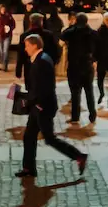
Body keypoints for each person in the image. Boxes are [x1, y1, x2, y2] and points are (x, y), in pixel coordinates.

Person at [17, 33, 88, 178]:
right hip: (38, 106)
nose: (25, 49)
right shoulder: (41, 58)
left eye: (27, 46)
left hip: (43, 107)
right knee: (29, 136)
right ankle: (28, 168)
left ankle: (79, 156)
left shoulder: (41, 61)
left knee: (49, 138)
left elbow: (45, 87)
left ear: (35, 45)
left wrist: (31, 102)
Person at [60, 13, 98, 124]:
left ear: (76, 20)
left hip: (74, 66)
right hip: (87, 65)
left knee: (75, 93)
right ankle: (92, 115)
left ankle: (75, 116)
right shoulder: (92, 33)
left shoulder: (70, 32)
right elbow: (98, 46)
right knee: (89, 91)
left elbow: (60, 42)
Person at [16, 12, 45, 78]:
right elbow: (54, 51)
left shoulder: (24, 35)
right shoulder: (47, 35)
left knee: (30, 86)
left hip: (28, 67)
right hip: (44, 67)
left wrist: (18, 70)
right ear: (40, 22)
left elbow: (21, 53)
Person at [0, 5, 16, 72]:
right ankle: (3, 64)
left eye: (4, 9)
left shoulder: (9, 16)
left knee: (5, 51)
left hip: (7, 36)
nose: (3, 11)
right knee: (1, 52)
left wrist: (10, 29)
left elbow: (13, 24)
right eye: (2, 9)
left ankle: (5, 66)